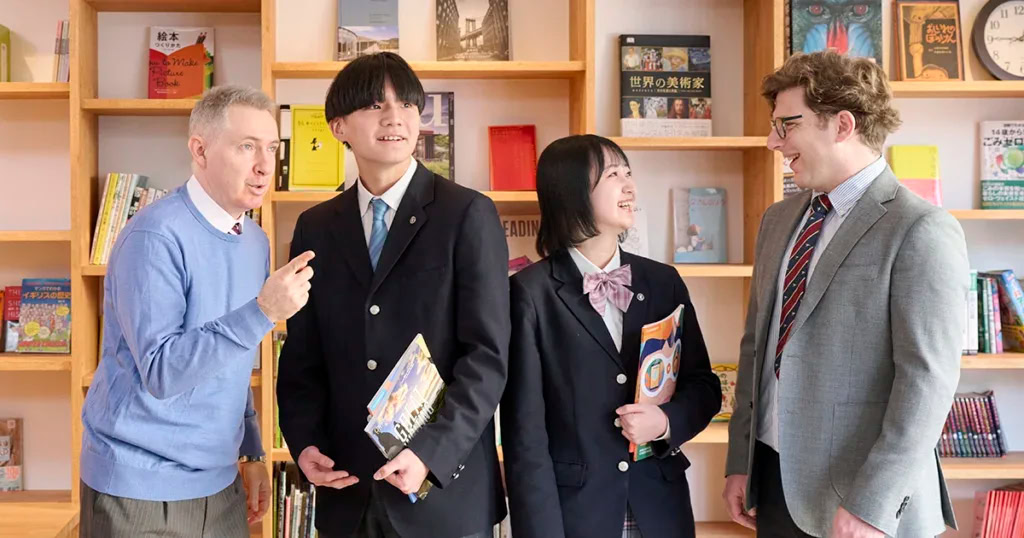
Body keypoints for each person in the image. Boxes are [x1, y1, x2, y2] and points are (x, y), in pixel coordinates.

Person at [722, 51, 967, 538]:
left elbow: (927, 382)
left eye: (787, 125)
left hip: (860, 503)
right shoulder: (777, 220)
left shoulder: (920, 228)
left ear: (842, 124)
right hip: (772, 482)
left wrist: (873, 504)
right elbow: (756, 348)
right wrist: (740, 461)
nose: (773, 141)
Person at [276, 51, 509, 538]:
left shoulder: (466, 213)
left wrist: (430, 453)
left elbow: (486, 357)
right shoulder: (315, 227)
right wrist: (305, 443)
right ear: (339, 127)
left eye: (406, 104)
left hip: (441, 495)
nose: (394, 117)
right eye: (375, 105)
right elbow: (302, 356)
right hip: (347, 490)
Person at [79, 85, 314, 537]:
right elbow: (162, 372)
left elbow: (232, 355)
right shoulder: (154, 237)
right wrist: (264, 310)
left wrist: (250, 450)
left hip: (219, 480)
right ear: (200, 150)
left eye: (271, 148)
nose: (265, 165)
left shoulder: (254, 240)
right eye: (247, 147)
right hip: (138, 486)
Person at [502, 134, 721, 538]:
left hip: (660, 509)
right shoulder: (529, 293)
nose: (629, 186)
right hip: (576, 516)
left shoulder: (663, 282)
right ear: (570, 191)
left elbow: (704, 387)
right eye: (613, 175)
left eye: (628, 173)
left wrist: (664, 422)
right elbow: (525, 436)